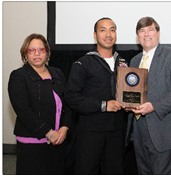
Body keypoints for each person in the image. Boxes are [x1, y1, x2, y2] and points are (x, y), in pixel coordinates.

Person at [126, 17, 171, 175]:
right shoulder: (134, 61)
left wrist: (154, 106)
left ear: (158, 33)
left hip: (164, 132)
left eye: (150, 29)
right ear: (137, 36)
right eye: (142, 31)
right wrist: (127, 103)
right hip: (139, 131)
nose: (146, 34)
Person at [65, 17, 128, 175]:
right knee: (87, 172)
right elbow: (71, 97)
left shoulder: (123, 63)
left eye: (112, 30)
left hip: (117, 131)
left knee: (115, 172)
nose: (108, 34)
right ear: (95, 35)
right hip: (91, 131)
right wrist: (104, 105)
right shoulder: (83, 63)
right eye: (103, 30)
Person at [8, 33, 72, 174]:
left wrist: (65, 127)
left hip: (58, 142)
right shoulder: (19, 76)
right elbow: (23, 110)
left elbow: (67, 104)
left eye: (41, 50)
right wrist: (48, 133)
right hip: (32, 143)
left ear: (47, 53)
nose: (37, 53)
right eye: (31, 50)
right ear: (25, 54)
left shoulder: (58, 73)